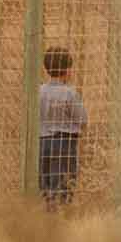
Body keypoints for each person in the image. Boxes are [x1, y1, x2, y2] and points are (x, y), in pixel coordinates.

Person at [37, 46, 87, 207]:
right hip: (64, 144)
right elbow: (82, 120)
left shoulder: (38, 91)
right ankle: (60, 217)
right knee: (64, 185)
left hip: (41, 142)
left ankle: (44, 215)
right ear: (66, 70)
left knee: (44, 184)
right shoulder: (70, 93)